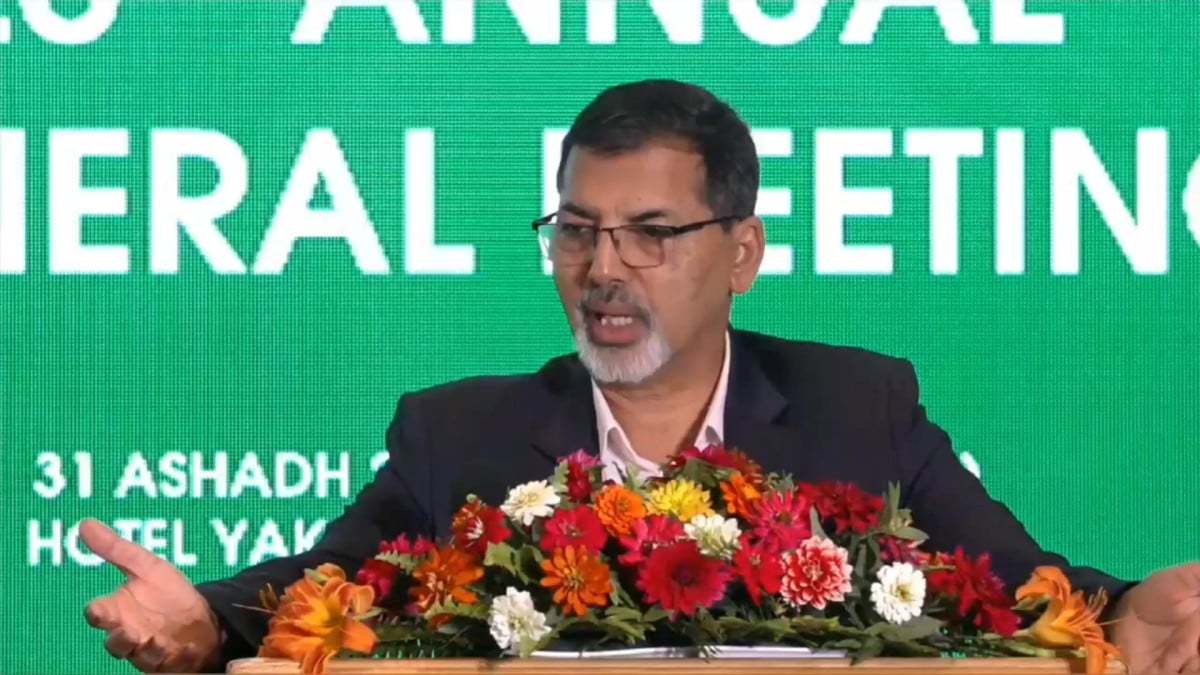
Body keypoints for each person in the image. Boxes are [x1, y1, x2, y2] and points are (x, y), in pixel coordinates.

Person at [81, 79, 1199, 675]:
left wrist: (1137, 611)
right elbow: (320, 587)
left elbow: (1023, 584)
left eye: (651, 233)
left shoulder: (859, 408)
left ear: (742, 254)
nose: (604, 269)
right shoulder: (458, 436)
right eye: (576, 231)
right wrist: (207, 624)